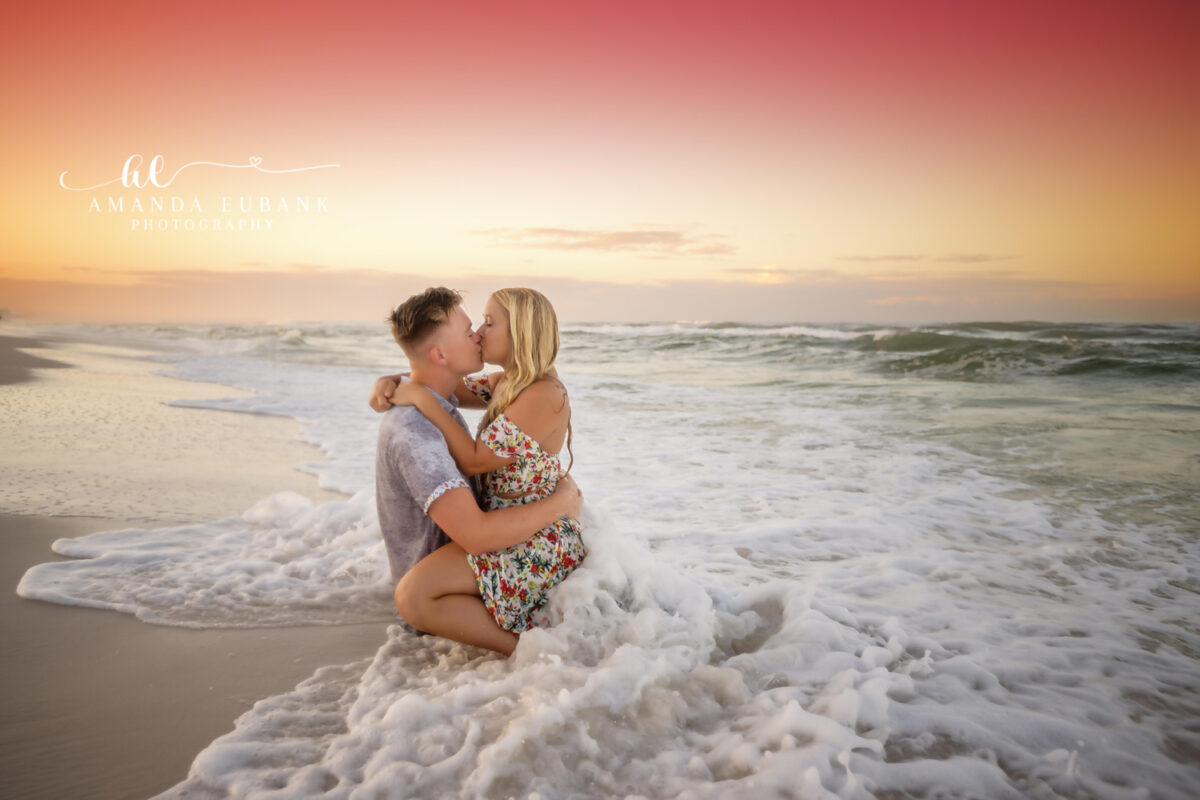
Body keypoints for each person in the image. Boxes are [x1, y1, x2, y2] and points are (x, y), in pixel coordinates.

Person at [372, 288, 587, 649]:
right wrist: (391, 380)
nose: (479, 333)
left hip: (535, 535)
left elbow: (472, 458)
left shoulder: (543, 395)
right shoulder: (506, 383)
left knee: (416, 595)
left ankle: (532, 650)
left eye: (489, 323)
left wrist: (420, 398)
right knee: (419, 592)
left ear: (520, 334)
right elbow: (442, 378)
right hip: (507, 529)